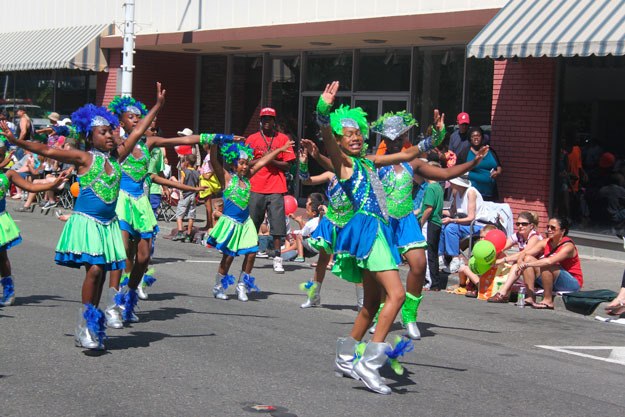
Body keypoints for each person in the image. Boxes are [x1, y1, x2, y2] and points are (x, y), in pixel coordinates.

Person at [317, 81, 488, 394]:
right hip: (370, 233)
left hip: (380, 231)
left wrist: (434, 138)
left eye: (358, 134)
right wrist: (322, 113)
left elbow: (409, 152)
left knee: (371, 304)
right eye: (348, 136)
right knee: (395, 296)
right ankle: (369, 363)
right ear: (339, 142)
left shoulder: (370, 161)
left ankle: (345, 355)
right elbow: (327, 138)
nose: (355, 139)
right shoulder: (343, 164)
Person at [1, 82, 164, 350]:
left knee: (101, 274)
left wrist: (157, 106)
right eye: (104, 132)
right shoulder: (85, 157)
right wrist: (17, 141)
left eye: (112, 131)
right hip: (87, 224)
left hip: (107, 225)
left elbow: (139, 131)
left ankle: (92, 323)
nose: (111, 136)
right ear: (91, 136)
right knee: (95, 270)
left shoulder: (117, 157)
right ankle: (87, 324)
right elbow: (50, 151)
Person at [371, 109, 489, 340]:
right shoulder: (375, 162)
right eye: (390, 138)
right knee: (384, 273)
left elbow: (445, 173)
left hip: (406, 221)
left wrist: (473, 163)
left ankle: (409, 316)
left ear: (404, 138)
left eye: (399, 137)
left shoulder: (411, 163)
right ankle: (380, 315)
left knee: (419, 264)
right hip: (383, 222)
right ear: (384, 139)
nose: (395, 142)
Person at [106, 95, 223, 312]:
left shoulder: (150, 143)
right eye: (130, 117)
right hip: (121, 201)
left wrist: (214, 136)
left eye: (139, 117)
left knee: (144, 256)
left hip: (141, 203)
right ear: (121, 123)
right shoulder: (116, 145)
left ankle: (130, 294)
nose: (136, 120)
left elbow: (181, 141)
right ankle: (115, 303)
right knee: (122, 252)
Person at [207, 139, 293, 301]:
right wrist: (214, 143)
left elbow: (263, 161)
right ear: (233, 165)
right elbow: (213, 161)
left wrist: (280, 149)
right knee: (229, 256)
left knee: (252, 252)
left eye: (246, 163)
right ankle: (218, 287)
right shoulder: (226, 178)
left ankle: (242, 286)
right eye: (241, 163)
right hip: (231, 223)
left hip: (245, 223)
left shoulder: (248, 179)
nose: (245, 166)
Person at [0, 136, 67, 307]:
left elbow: (31, 187)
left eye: (1, 156)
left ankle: (8, 289)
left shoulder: (9, 174)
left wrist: (53, 184)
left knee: (1, 256)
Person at [298, 139, 363, 310]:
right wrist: (304, 164)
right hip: (331, 222)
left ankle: (362, 302)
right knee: (322, 260)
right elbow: (306, 181)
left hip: (349, 224)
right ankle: (314, 296)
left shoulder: (357, 173)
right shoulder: (330, 175)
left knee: (356, 262)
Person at [245, 107, 296, 274]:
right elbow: (246, 163)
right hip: (256, 186)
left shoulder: (282, 139)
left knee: (277, 225)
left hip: (276, 186)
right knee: (253, 222)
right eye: (264, 119)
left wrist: (271, 159)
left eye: (270, 119)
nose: (267, 121)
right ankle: (250, 252)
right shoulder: (252, 139)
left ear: (274, 121)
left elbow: (288, 165)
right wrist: (263, 159)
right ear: (260, 121)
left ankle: (277, 258)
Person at [513, 217, 583, 310]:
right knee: (528, 258)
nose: (549, 230)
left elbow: (549, 261)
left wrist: (527, 264)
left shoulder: (568, 246)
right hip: (552, 277)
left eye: (553, 228)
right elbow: (525, 253)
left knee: (546, 265)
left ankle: (548, 300)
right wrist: (521, 261)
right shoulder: (546, 242)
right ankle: (530, 297)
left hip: (572, 283)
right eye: (548, 227)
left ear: (562, 231)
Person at [487, 212, 544, 303]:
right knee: (516, 263)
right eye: (518, 224)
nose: (520, 226)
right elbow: (502, 246)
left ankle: (503, 293)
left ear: (531, 226)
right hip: (528, 273)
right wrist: (491, 255)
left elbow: (523, 253)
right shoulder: (518, 235)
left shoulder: (535, 237)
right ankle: (503, 292)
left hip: (541, 274)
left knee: (522, 260)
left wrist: (501, 260)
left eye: (524, 224)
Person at [439, 174, 486, 273]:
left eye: (452, 182)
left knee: (451, 228)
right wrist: (437, 211)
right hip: (464, 224)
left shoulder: (471, 192)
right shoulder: (456, 193)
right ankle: (441, 257)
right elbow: (452, 212)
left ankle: (456, 259)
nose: (450, 184)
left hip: (477, 225)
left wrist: (452, 220)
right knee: (441, 225)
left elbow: (471, 217)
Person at [418, 162, 445, 291]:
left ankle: (431, 282)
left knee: (427, 252)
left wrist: (421, 222)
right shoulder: (439, 187)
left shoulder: (430, 188)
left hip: (429, 223)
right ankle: (434, 281)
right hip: (437, 223)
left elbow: (428, 209)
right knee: (433, 252)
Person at [458, 127, 502, 201]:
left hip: (490, 194)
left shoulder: (490, 151)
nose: (476, 138)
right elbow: (458, 171)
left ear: (482, 137)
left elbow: (499, 166)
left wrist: (497, 172)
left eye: (478, 136)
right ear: (470, 138)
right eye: (473, 136)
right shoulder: (464, 153)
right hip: (472, 194)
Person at [172, 154, 201, 243]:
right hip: (193, 195)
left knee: (179, 215)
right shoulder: (197, 173)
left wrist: (175, 182)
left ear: (187, 162)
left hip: (185, 195)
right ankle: (188, 235)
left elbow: (181, 184)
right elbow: (198, 186)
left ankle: (180, 232)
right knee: (191, 216)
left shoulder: (184, 172)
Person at [199, 139, 222, 231]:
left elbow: (214, 167)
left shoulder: (210, 156)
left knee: (208, 204)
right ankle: (208, 223)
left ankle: (210, 224)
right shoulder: (208, 155)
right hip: (205, 180)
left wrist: (208, 175)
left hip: (207, 181)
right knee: (206, 204)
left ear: (206, 145)